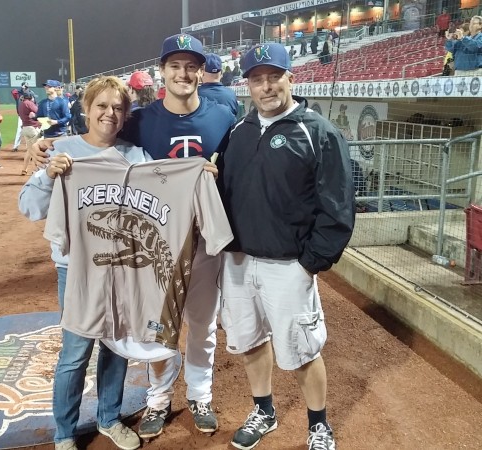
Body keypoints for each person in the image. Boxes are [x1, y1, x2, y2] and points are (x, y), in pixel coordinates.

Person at [32, 33, 236, 442]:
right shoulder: (136, 123)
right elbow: (94, 141)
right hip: (139, 252)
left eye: (190, 65)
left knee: (197, 327)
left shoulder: (222, 116)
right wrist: (44, 158)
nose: (183, 73)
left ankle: (196, 396)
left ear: (201, 71)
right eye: (175, 65)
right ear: (162, 72)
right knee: (135, 330)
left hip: (189, 244)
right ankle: (152, 401)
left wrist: (205, 179)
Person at [217, 43, 355, 450]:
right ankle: (265, 411)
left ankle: (319, 425)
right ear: (248, 85)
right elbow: (225, 193)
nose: (266, 86)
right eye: (257, 79)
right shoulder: (238, 133)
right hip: (240, 262)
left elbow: (338, 207)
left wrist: (310, 263)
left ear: (290, 77)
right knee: (250, 342)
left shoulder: (318, 132)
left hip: (289, 265)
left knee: (301, 351)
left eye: (274, 76)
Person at [19, 76, 151, 450]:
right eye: (102, 106)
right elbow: (28, 208)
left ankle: (109, 417)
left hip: (122, 267)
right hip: (75, 268)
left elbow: (165, 192)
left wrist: (198, 175)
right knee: (76, 351)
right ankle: (64, 432)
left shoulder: (137, 156)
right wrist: (47, 175)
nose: (110, 113)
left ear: (126, 115)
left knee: (115, 345)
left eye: (118, 108)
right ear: (86, 109)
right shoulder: (62, 151)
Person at [18, 91, 41, 175]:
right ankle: (35, 169)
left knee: (29, 150)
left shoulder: (21, 104)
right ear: (31, 97)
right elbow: (38, 112)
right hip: (32, 128)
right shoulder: (29, 103)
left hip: (25, 128)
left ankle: (24, 169)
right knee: (36, 150)